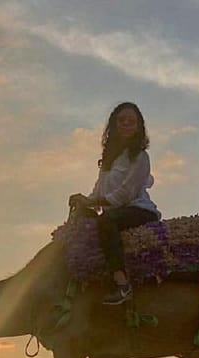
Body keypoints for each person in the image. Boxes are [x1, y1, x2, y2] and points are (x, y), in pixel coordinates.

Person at [69, 102, 161, 305]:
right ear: (114, 125)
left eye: (131, 121)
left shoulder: (140, 157)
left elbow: (125, 195)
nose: (126, 124)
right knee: (82, 220)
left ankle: (122, 283)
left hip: (137, 210)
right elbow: (98, 191)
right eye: (122, 120)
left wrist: (94, 201)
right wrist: (83, 201)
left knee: (106, 221)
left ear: (138, 127)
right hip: (115, 211)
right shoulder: (108, 161)